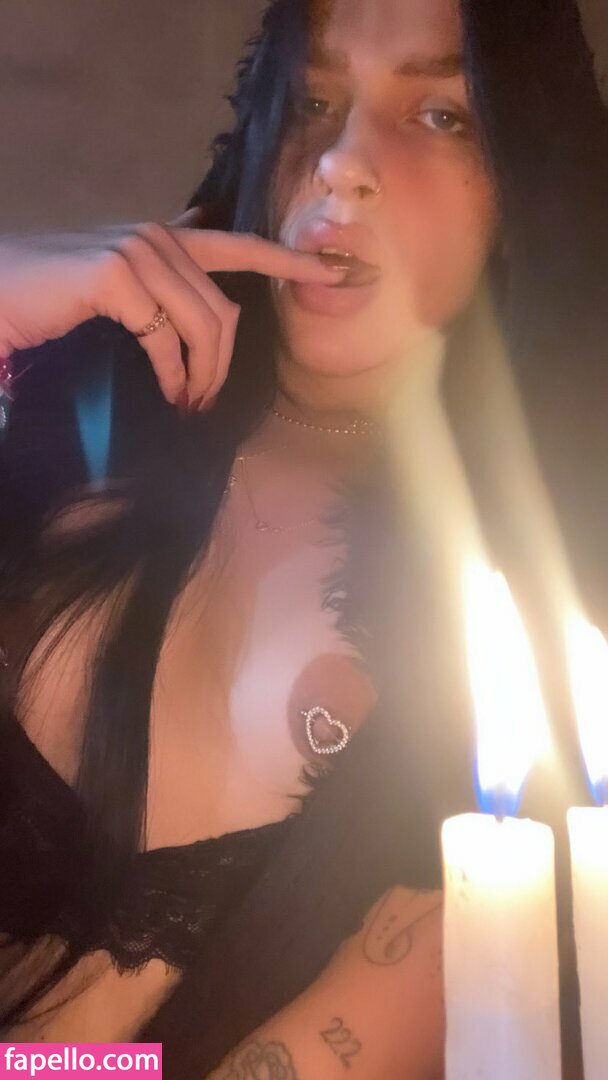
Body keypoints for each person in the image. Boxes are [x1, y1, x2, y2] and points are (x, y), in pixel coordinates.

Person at [0, 0, 606, 1076]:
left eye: (439, 116)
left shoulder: (522, 650)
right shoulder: (65, 402)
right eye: (315, 102)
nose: (339, 164)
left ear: (527, 177)